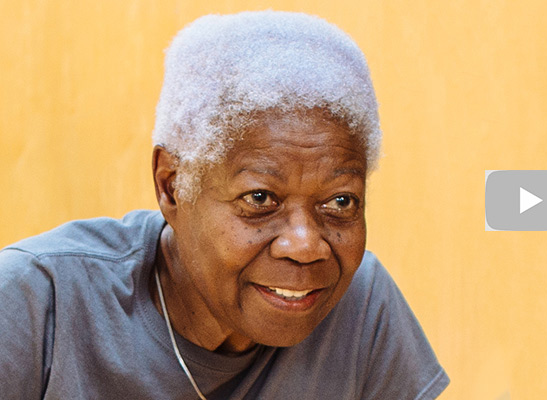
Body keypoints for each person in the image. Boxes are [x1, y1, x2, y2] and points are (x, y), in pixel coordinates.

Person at [0, 11, 449, 399]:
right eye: (260, 199)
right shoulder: (37, 304)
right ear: (172, 186)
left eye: (340, 201)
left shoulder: (360, 306)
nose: (305, 245)